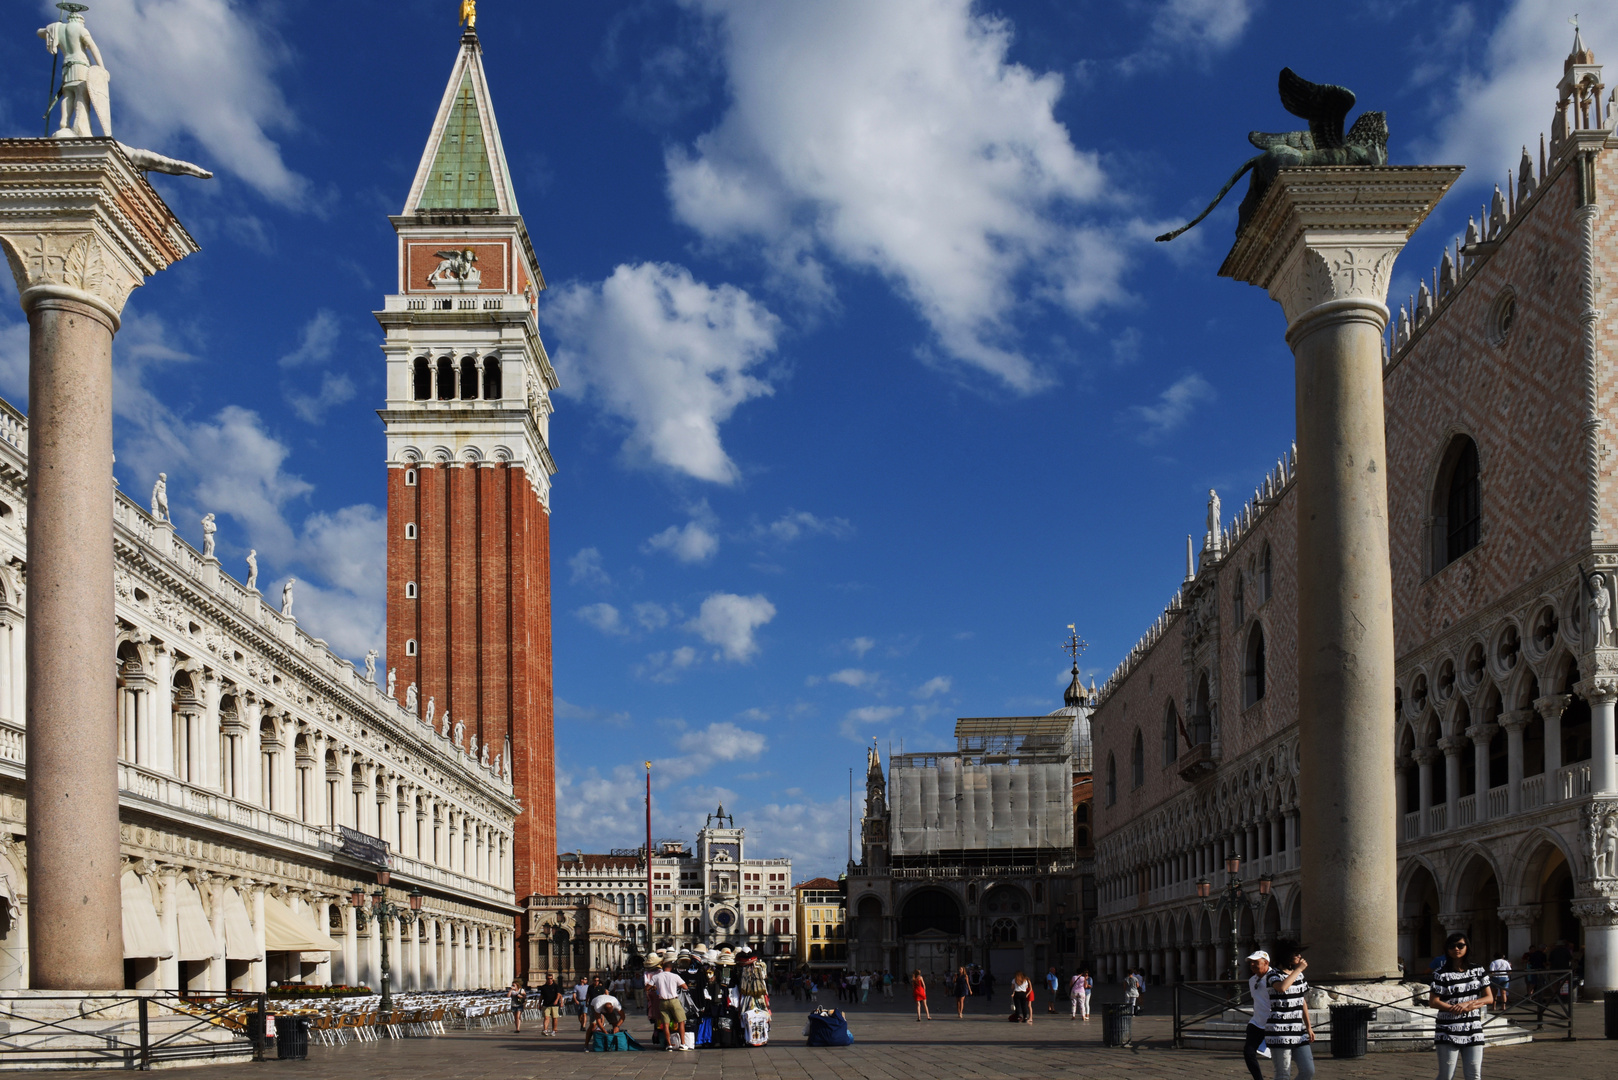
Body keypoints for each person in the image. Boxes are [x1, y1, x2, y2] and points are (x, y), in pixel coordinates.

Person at [1429, 932, 1492, 1080]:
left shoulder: (1478, 970)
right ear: (1447, 949)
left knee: (1474, 1074)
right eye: (1452, 946)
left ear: (1467, 947)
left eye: (1460, 945)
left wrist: (1469, 1005)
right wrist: (1455, 1008)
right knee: (1446, 1075)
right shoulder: (1440, 974)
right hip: (1447, 1029)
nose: (1456, 949)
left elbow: (1489, 998)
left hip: (1473, 1028)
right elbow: (1433, 1002)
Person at [1265, 942, 1314, 1080]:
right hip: (1279, 1031)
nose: (1299, 957)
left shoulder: (1299, 976)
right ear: (1286, 956)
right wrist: (1298, 970)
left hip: (1298, 1030)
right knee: (1283, 1075)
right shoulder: (1273, 975)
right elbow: (1281, 987)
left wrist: (1309, 1027)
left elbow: (1302, 1001)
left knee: (1308, 1070)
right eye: (1296, 954)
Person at [649, 959, 692, 1052]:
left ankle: (669, 1045)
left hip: (662, 1002)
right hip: (673, 1000)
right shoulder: (675, 976)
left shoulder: (656, 977)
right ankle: (683, 1044)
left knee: (665, 1024)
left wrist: (654, 987)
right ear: (671, 968)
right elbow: (685, 987)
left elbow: (647, 987)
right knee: (681, 1021)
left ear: (663, 968)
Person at [1243, 951, 1273, 1080]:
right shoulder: (1252, 980)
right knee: (1248, 1053)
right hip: (1256, 1022)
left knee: (1280, 1057)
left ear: (1266, 963)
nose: (1252, 965)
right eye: (1251, 962)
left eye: (1256, 962)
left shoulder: (1275, 979)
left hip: (1274, 1024)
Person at [537, 973, 563, 1038]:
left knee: (554, 1018)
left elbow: (559, 994)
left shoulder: (556, 986)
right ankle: (545, 1030)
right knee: (546, 1017)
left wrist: (558, 1001)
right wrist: (539, 1004)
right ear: (546, 979)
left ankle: (554, 1030)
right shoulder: (543, 987)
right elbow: (541, 996)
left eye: (551, 979)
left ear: (552, 979)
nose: (550, 980)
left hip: (554, 1004)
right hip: (546, 1004)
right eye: (548, 979)